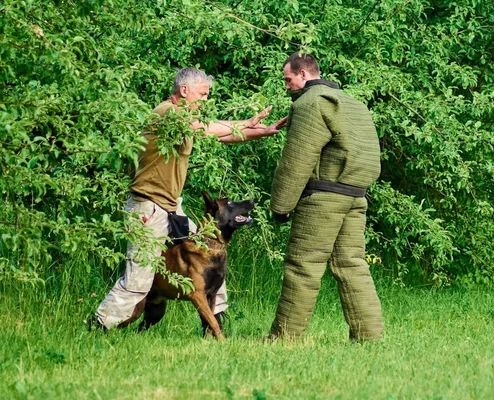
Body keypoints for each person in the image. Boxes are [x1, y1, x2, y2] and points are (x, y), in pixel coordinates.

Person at [93, 67, 286, 330]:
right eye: (203, 94)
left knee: (211, 252)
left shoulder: (186, 119)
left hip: (172, 206)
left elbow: (224, 134)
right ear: (184, 91)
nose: (206, 100)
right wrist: (246, 123)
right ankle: (100, 326)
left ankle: (214, 324)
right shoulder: (166, 113)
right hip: (147, 207)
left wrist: (258, 130)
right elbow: (206, 129)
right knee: (139, 277)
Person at [269, 52, 383, 341]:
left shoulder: (311, 103)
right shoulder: (353, 105)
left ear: (304, 74)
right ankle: (369, 337)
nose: (287, 86)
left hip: (323, 197)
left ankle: (284, 338)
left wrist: (280, 207)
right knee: (352, 263)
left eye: (288, 79)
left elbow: (297, 161)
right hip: (356, 195)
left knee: (303, 266)